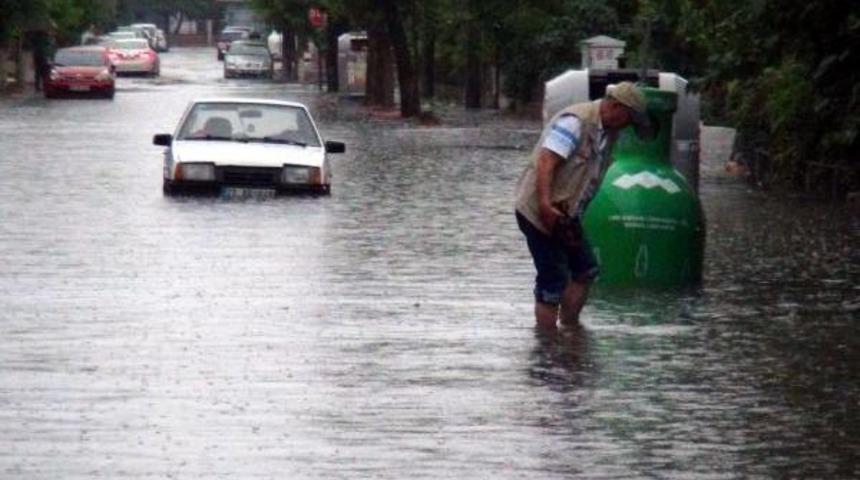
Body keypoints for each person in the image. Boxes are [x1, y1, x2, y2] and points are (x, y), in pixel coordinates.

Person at [514, 81, 648, 330]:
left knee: (585, 269)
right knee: (552, 280)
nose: (628, 126)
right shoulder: (577, 122)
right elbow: (546, 162)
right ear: (616, 107)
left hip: (565, 213)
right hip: (538, 211)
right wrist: (545, 205)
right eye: (629, 119)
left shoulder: (608, 134)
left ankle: (570, 331)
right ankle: (547, 344)